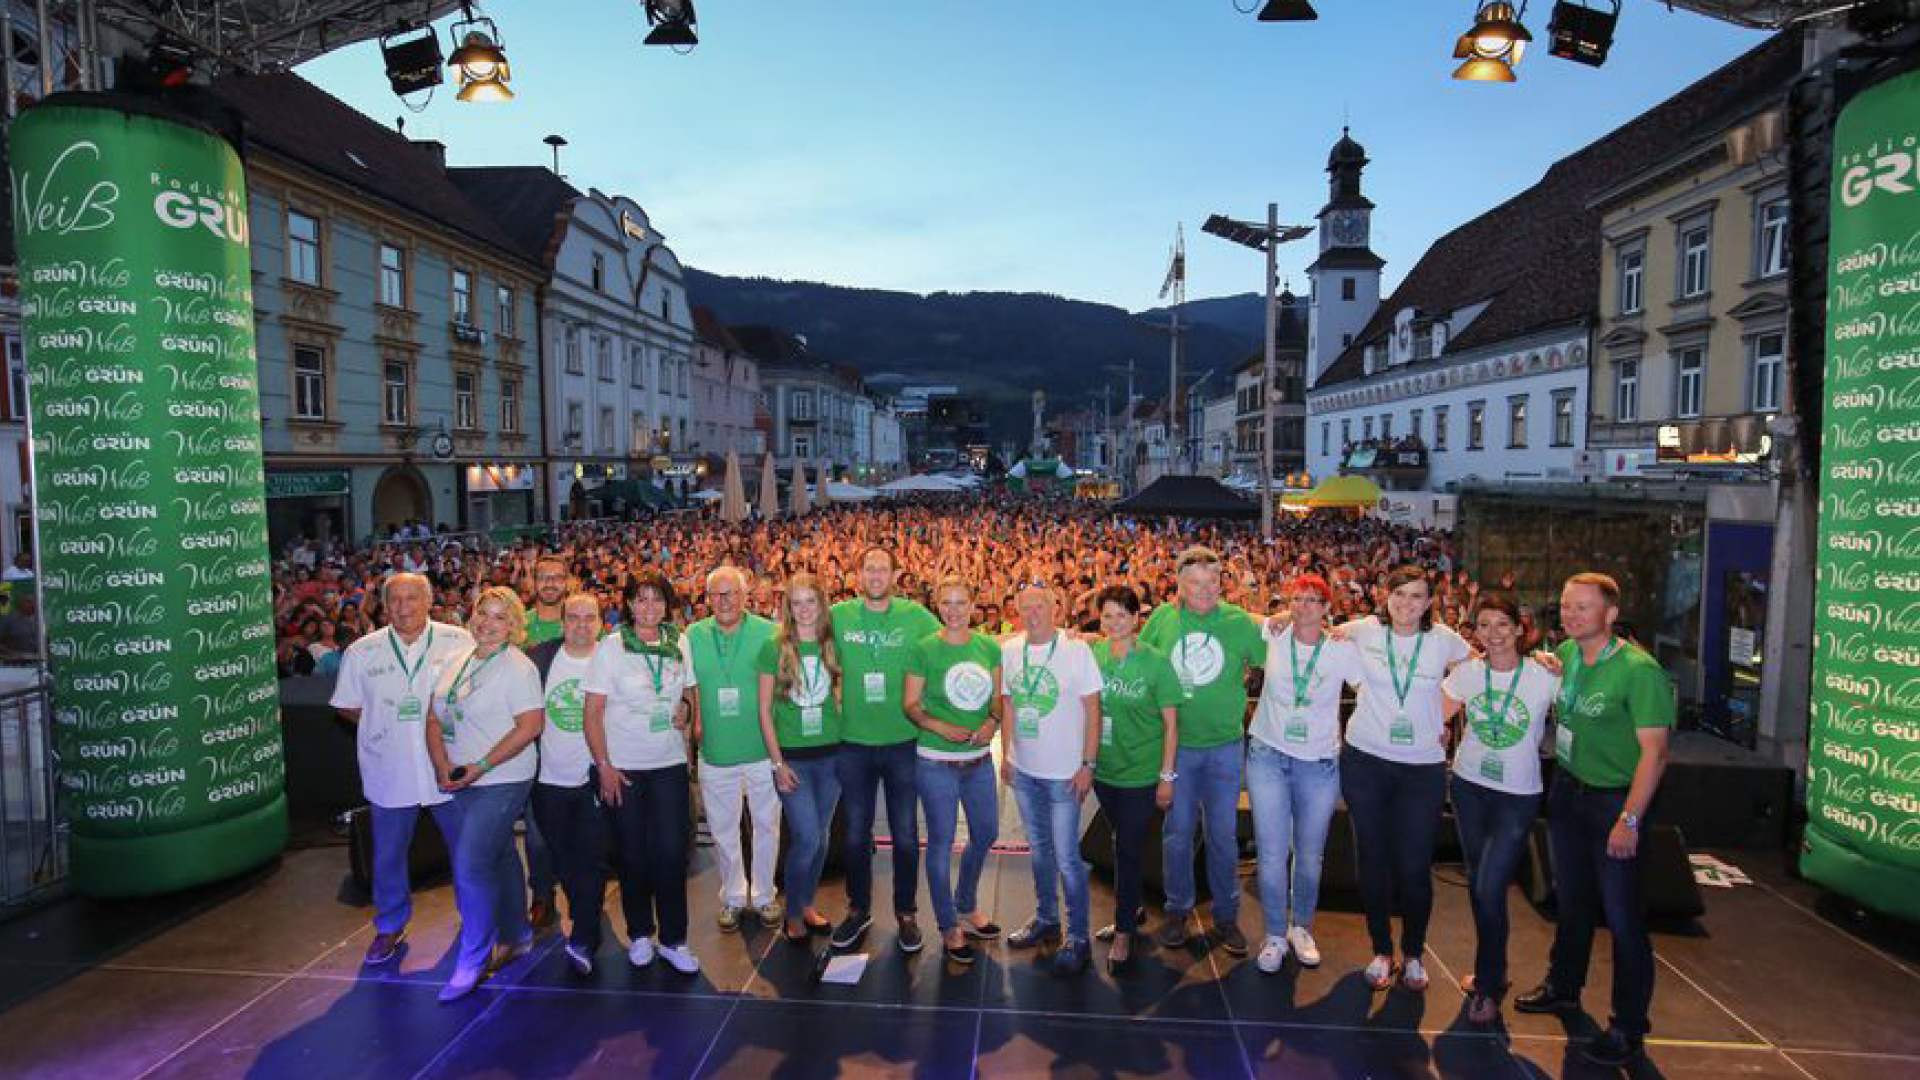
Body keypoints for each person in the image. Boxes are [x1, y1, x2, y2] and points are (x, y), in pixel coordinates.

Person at [1515, 573, 1673, 1067]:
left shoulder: (1638, 670)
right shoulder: (1564, 657)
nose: (1570, 614)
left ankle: (1628, 1027)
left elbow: (1656, 753)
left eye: (1582, 607)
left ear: (1609, 614)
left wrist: (1629, 820)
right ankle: (1563, 987)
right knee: (1573, 902)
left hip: (1614, 803)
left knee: (1624, 920)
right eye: (1565, 605)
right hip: (1568, 793)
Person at [1337, 565, 1471, 992]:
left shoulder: (1444, 640)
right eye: (1399, 594)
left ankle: (1413, 953)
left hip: (1422, 768)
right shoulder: (1363, 630)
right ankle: (1381, 949)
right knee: (1372, 860)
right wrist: (1283, 619)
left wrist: (1443, 714)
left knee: (1414, 865)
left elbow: (1484, 668)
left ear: (1430, 601)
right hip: (1365, 761)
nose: (1406, 604)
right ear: (1385, 595)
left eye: (1416, 596)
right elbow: (1314, 629)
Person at [330, 573, 474, 968]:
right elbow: (346, 704)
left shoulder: (458, 641)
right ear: (384, 605)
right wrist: (382, 725)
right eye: (395, 600)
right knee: (389, 857)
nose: (404, 606)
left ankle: (476, 919)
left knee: (467, 851)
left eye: (413, 598)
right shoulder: (362, 651)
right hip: (389, 769)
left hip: (448, 768)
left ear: (430, 602)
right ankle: (391, 925)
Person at [1138, 546, 1264, 957]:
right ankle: (1177, 911)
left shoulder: (1238, 622)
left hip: (1225, 748)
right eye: (1195, 582)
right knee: (1177, 835)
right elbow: (1138, 664)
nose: (1204, 590)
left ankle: (1226, 917)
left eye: (1212, 582)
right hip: (1177, 749)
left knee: (1224, 837)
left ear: (1221, 584)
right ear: (1179, 584)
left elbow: (1274, 659)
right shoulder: (1161, 619)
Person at [1441, 591, 1560, 1022]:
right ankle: (1495, 970)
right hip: (1469, 788)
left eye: (1502, 625)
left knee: (1490, 888)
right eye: (1484, 625)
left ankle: (1489, 985)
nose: (1493, 634)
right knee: (1478, 885)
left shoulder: (1546, 676)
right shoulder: (1469, 674)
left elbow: (1578, 716)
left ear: (1519, 629)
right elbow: (1433, 711)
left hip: (1517, 796)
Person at [423, 586, 545, 1001]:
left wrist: (481, 767)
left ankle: (472, 958)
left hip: (502, 777)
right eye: (482, 613)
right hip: (459, 778)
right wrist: (442, 764)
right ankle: (517, 935)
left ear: (513, 626)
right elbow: (435, 718)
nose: (487, 623)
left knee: (470, 863)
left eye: (499, 617)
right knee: (500, 854)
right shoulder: (455, 660)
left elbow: (530, 726)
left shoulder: (518, 668)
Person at [583, 574, 701, 975]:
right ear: (629, 606)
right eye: (641, 600)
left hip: (668, 764)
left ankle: (674, 939)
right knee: (633, 855)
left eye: (657, 600)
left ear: (667, 606)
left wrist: (686, 708)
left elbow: (690, 692)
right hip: (624, 766)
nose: (649, 607)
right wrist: (604, 765)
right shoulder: (611, 648)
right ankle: (639, 935)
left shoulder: (678, 642)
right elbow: (592, 713)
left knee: (670, 854)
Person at [1245, 574, 1363, 974]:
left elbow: (1373, 686)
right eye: (1298, 598)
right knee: (1272, 851)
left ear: (1328, 607)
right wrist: (1278, 614)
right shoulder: (1274, 633)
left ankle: (1302, 928)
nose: (1305, 606)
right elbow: (1236, 617)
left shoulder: (1343, 648)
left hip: (1319, 763)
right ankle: (1275, 934)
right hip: (1268, 755)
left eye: (1315, 599)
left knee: (1310, 855)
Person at [830, 547, 941, 952]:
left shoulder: (916, 616)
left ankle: (906, 912)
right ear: (857, 573)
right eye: (868, 568)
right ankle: (859, 910)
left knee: (907, 835)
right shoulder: (838, 615)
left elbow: (954, 638)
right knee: (856, 836)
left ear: (895, 574)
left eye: (883, 568)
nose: (876, 574)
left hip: (903, 743)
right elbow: (795, 637)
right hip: (854, 743)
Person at [1001, 584, 1104, 976]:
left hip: (1064, 774)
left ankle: (1078, 936)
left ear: (1055, 608)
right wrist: (1008, 754)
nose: (1033, 613)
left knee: (1066, 857)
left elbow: (1093, 711)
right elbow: (1009, 703)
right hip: (1025, 771)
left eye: (1039, 606)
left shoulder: (1077, 650)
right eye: (1025, 607)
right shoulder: (1011, 650)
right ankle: (1047, 918)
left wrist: (1087, 764)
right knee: (1040, 852)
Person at [903, 576, 1003, 965]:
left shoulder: (988, 647)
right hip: (936, 763)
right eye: (948, 602)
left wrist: (992, 724)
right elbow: (910, 705)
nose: (955, 610)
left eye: (962, 602)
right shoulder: (923, 649)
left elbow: (997, 699)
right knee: (941, 844)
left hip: (978, 762)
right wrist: (941, 727)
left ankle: (966, 902)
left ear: (975, 603)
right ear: (937, 605)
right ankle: (948, 924)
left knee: (986, 832)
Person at [1086, 584, 1180, 973]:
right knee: (1118, 840)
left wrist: (1166, 776)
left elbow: (1172, 726)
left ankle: (1124, 930)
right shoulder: (1094, 655)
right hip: (1104, 772)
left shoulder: (1156, 662)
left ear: (1137, 618)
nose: (1113, 623)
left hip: (1142, 775)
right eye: (1106, 616)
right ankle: (1134, 908)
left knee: (1127, 847)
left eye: (1121, 616)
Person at [683, 565, 781, 931]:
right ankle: (734, 896)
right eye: (716, 594)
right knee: (723, 829)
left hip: (761, 749)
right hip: (716, 750)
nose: (724, 601)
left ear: (745, 595)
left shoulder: (770, 633)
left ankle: (766, 895)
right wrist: (692, 715)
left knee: (767, 826)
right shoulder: (691, 635)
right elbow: (687, 684)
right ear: (707, 598)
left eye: (731, 593)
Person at [756, 573, 844, 943]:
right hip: (793, 760)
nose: (805, 609)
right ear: (788, 608)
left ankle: (807, 904)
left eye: (811, 601)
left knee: (822, 837)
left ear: (821, 605)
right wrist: (777, 764)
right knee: (806, 836)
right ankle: (792, 910)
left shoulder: (832, 643)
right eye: (798, 602)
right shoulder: (773, 647)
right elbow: (763, 711)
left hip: (832, 758)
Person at [528, 593, 613, 976]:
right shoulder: (539, 660)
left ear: (600, 622)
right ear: (561, 622)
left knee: (591, 861)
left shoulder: (613, 659)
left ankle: (584, 932)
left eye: (589, 617)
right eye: (573, 617)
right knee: (562, 860)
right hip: (549, 781)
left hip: (595, 778)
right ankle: (583, 917)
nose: (581, 624)